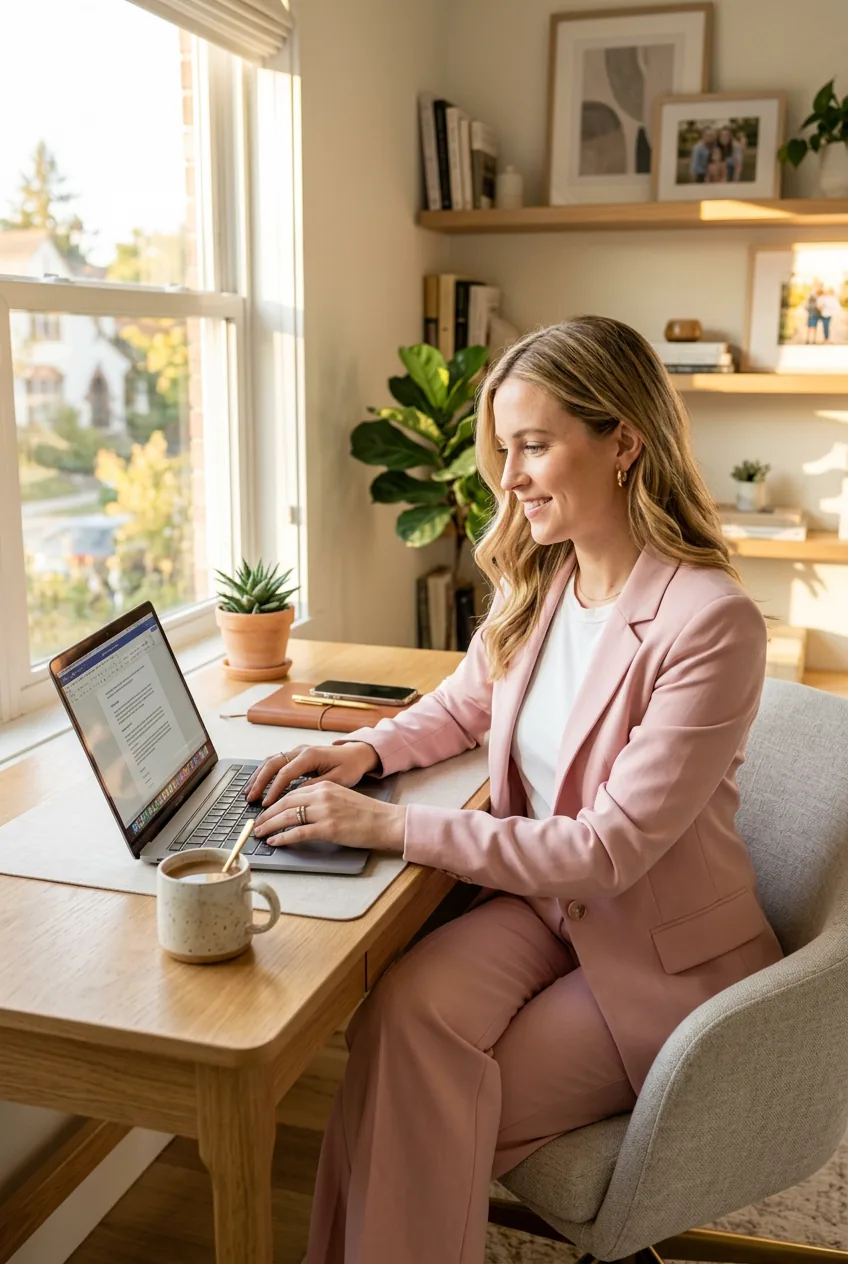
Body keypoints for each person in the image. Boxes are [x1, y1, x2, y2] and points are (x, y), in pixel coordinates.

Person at [246, 316, 784, 1264]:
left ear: (624, 441)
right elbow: (459, 708)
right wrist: (364, 753)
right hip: (543, 908)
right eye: (505, 450)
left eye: (534, 446)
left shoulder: (710, 624)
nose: (510, 477)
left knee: (420, 1116)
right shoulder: (541, 579)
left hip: (650, 946)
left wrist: (390, 826)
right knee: (396, 1026)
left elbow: (608, 851)